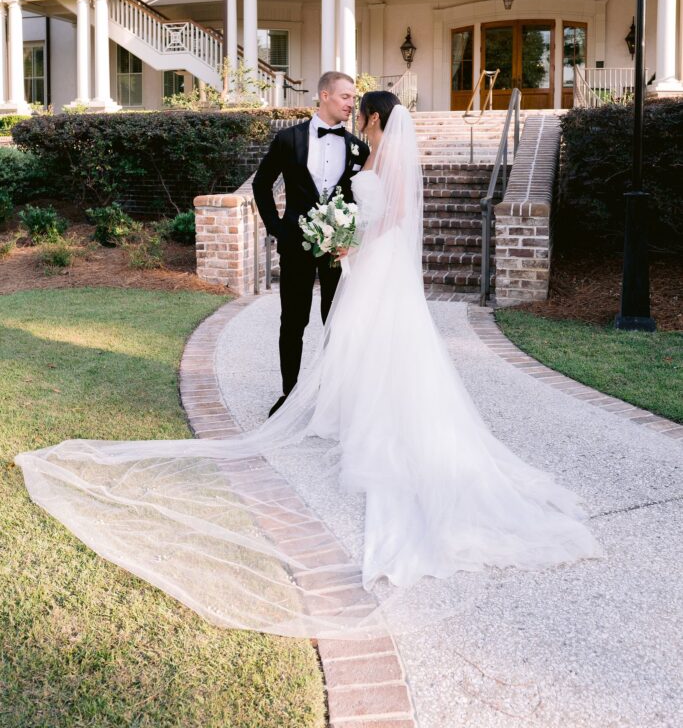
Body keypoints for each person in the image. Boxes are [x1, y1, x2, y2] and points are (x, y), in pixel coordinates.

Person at [14, 92, 603, 641]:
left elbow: (387, 220)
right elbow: (314, 198)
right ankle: (346, 411)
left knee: (363, 341)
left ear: (371, 119)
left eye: (360, 106)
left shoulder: (371, 160)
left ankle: (368, 424)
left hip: (372, 271)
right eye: (346, 99)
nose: (353, 111)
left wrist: (348, 242)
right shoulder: (343, 150)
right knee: (346, 340)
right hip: (362, 267)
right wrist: (315, 234)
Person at [253, 70, 369, 417]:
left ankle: (332, 400)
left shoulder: (358, 148)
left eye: (353, 98)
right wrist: (277, 227)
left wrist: (352, 236)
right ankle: (289, 393)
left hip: (338, 251)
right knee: (293, 321)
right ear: (324, 95)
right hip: (296, 246)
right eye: (346, 96)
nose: (352, 103)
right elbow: (261, 183)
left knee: (334, 323)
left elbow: (362, 199)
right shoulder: (289, 139)